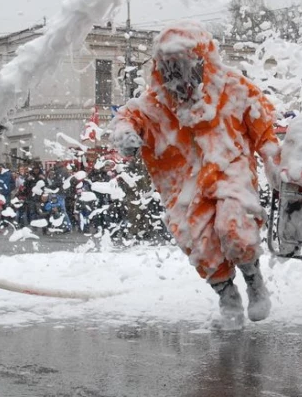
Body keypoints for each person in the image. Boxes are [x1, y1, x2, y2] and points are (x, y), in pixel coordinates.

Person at [110, 21, 280, 329]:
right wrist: (124, 133)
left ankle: (253, 279)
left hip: (231, 172)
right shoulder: (155, 102)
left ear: (203, 61)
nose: (180, 78)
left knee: (234, 228)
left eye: (186, 66)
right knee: (200, 243)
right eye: (171, 68)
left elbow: (262, 122)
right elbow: (128, 117)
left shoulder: (233, 86)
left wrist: (271, 157)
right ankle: (227, 296)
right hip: (184, 184)